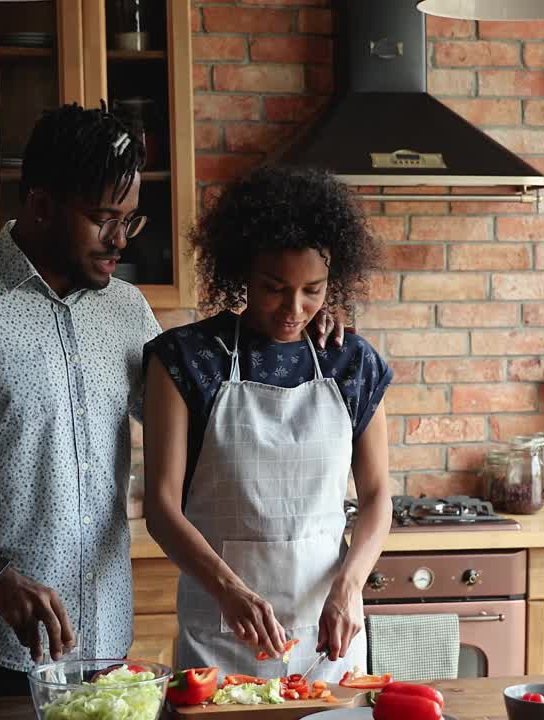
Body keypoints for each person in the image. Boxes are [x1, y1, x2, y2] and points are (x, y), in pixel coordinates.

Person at [0, 105, 347, 698]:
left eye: (130, 221)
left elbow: (199, 428)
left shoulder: (128, 309)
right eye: (102, 219)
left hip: (109, 635)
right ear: (40, 205)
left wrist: (300, 325)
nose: (120, 240)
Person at [141, 166, 394, 681]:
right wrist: (228, 590)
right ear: (241, 274)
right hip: (221, 628)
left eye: (313, 290)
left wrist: (349, 587)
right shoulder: (186, 359)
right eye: (274, 287)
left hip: (329, 628)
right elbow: (162, 510)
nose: (294, 309)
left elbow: (377, 497)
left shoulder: (351, 361)